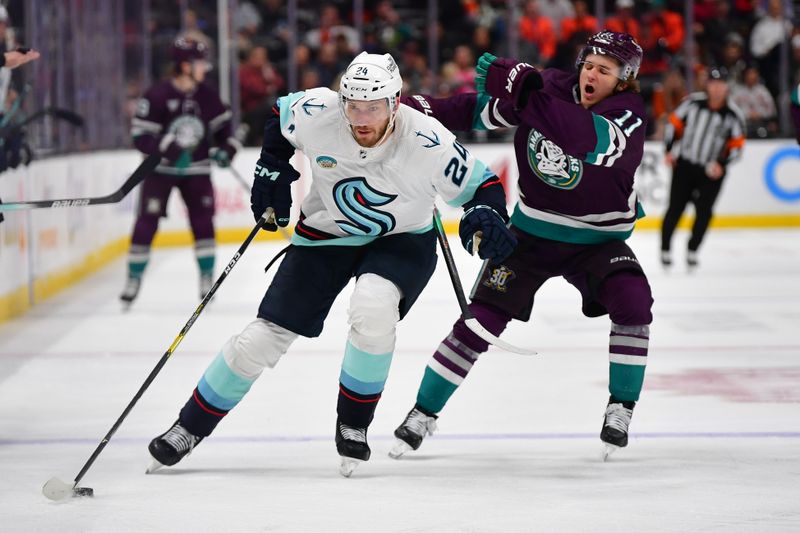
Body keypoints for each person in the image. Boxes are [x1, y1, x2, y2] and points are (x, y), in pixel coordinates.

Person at [146, 52, 516, 477]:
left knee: (373, 307)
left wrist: (486, 214)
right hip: (324, 238)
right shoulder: (320, 110)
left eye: (372, 107)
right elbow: (279, 116)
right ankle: (187, 428)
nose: (360, 117)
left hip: (402, 241)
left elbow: (483, 185)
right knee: (261, 339)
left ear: (395, 102)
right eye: (352, 105)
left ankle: (353, 425)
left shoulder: (426, 138)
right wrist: (271, 164)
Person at [391, 30, 654, 460]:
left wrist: (527, 97)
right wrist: (413, 110)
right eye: (588, 64)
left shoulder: (628, 115)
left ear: (623, 79)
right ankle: (423, 412)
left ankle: (621, 406)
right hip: (531, 234)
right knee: (479, 321)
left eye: (604, 71)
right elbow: (479, 111)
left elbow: (581, 138)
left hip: (598, 240)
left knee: (634, 302)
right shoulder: (550, 87)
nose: (591, 74)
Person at [120, 37, 239, 307]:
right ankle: (133, 277)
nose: (205, 68)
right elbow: (140, 136)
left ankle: (207, 278)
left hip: (196, 171)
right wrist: (167, 146)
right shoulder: (157, 95)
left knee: (203, 222)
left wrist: (227, 150)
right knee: (146, 222)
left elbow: (227, 134)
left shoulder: (208, 96)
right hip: (160, 171)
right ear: (185, 66)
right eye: (200, 63)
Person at [661, 66, 746, 270]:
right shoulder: (692, 103)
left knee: (705, 212)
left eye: (721, 84)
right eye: (713, 83)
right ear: (707, 85)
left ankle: (693, 249)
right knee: (675, 208)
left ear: (727, 87)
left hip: (712, 172)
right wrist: (669, 150)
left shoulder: (733, 114)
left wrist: (721, 165)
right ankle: (665, 248)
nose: (716, 88)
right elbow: (673, 124)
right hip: (686, 165)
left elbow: (737, 145)